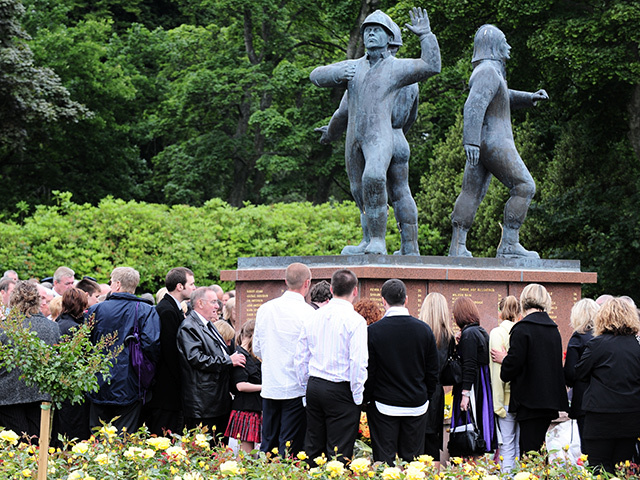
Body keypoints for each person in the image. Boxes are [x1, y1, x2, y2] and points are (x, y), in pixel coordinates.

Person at [310, 8, 440, 255]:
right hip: (363, 137)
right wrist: (331, 132)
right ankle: (382, 242)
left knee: (376, 180)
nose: (370, 34)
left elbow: (431, 65)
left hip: (386, 136)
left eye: (376, 30)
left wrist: (426, 35)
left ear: (390, 38)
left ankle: (380, 241)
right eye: (367, 30)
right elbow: (336, 103)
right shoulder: (355, 70)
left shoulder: (398, 70)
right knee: (361, 189)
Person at [449, 25, 549, 258]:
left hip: (483, 143)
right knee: (524, 186)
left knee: (472, 193)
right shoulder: (488, 71)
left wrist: (529, 97)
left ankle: (457, 246)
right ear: (494, 45)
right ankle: (509, 244)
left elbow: (502, 95)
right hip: (494, 142)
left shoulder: (490, 72)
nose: (509, 47)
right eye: (505, 41)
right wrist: (470, 141)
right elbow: (473, 106)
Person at [295, 269, 367, 464]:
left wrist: (305, 387)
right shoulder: (356, 321)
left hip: (316, 385)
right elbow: (358, 362)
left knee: (313, 447)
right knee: (339, 452)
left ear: (332, 289)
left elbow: (301, 357)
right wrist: (357, 395)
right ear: (355, 291)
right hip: (341, 388)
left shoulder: (313, 316)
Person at [365, 279, 438, 464]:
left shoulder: (373, 332)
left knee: (384, 462)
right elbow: (432, 372)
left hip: (383, 403)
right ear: (406, 299)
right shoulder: (424, 330)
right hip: (416, 404)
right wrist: (425, 395)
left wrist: (367, 399)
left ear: (383, 301)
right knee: (412, 464)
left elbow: (370, 371)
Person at [493, 284, 569, 455]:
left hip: (528, 401)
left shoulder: (522, 329)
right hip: (549, 401)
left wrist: (505, 361)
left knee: (529, 453)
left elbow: (511, 369)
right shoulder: (553, 329)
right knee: (539, 449)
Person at [87, 267, 161, 433]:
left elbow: (85, 345)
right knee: (124, 436)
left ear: (118, 285)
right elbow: (152, 345)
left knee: (97, 436)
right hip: (131, 381)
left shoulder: (96, 310)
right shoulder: (146, 310)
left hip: (97, 381)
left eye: (111, 282)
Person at [254, 262, 314, 456]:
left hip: (271, 385)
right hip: (296, 387)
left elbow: (257, 348)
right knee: (290, 447)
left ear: (286, 281)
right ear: (307, 283)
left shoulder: (265, 309)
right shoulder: (309, 313)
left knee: (268, 444)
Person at [575, 298, 640, 473]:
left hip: (600, 416)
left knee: (599, 468)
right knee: (623, 467)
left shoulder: (598, 344)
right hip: (631, 415)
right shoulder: (637, 345)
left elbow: (580, 372)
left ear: (603, 317)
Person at [177, 287, 245, 443]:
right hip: (203, 405)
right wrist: (229, 361)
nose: (218, 306)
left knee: (219, 449)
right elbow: (196, 359)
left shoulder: (208, 324)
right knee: (205, 453)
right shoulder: (189, 326)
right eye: (214, 302)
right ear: (200, 303)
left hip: (217, 401)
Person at [0, 281, 60, 439]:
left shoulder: (5, 327)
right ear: (38, 301)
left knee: (16, 446)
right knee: (38, 444)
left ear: (14, 301)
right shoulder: (52, 327)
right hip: (41, 393)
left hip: (8, 393)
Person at [142, 267, 195, 436]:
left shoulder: (173, 308)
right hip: (166, 389)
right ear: (180, 286)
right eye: (191, 284)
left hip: (169, 388)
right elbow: (170, 351)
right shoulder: (167, 310)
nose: (194, 288)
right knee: (164, 433)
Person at [450, 297, 496, 455]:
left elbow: (469, 366)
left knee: (470, 432)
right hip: (481, 385)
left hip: (472, 387)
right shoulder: (480, 331)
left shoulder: (469, 334)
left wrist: (465, 394)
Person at [418, 292, 454, 468]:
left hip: (417, 390)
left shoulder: (417, 334)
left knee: (415, 439)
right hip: (436, 394)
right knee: (432, 441)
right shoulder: (449, 337)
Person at [54, 287, 91, 443]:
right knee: (74, 431)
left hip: (61, 386)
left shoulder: (58, 323)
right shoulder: (75, 328)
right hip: (74, 387)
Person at [489, 296, 521, 472]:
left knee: (507, 446)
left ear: (500, 312)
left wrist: (497, 403)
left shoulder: (496, 333)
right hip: (522, 398)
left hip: (506, 401)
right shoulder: (523, 332)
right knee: (517, 446)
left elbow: (496, 373)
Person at [564, 298, 599, 444]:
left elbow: (571, 373)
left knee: (588, 448)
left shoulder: (578, 338)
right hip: (604, 399)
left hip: (584, 400)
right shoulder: (604, 337)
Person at [225, 320, 262, 453]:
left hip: (252, 407)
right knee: (246, 454)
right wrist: (264, 387)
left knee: (250, 453)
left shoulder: (250, 356)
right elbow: (240, 385)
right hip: (245, 409)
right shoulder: (240, 355)